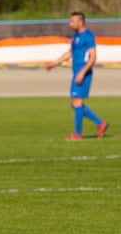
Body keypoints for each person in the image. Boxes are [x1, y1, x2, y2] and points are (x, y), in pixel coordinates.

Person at [45, 12, 109, 141]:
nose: (70, 24)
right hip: (76, 73)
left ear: (80, 22)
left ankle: (77, 134)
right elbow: (70, 53)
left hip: (83, 73)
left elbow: (93, 57)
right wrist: (55, 62)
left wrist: (83, 72)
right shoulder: (75, 37)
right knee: (74, 104)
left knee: (77, 102)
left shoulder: (88, 36)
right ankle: (100, 124)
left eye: (72, 21)